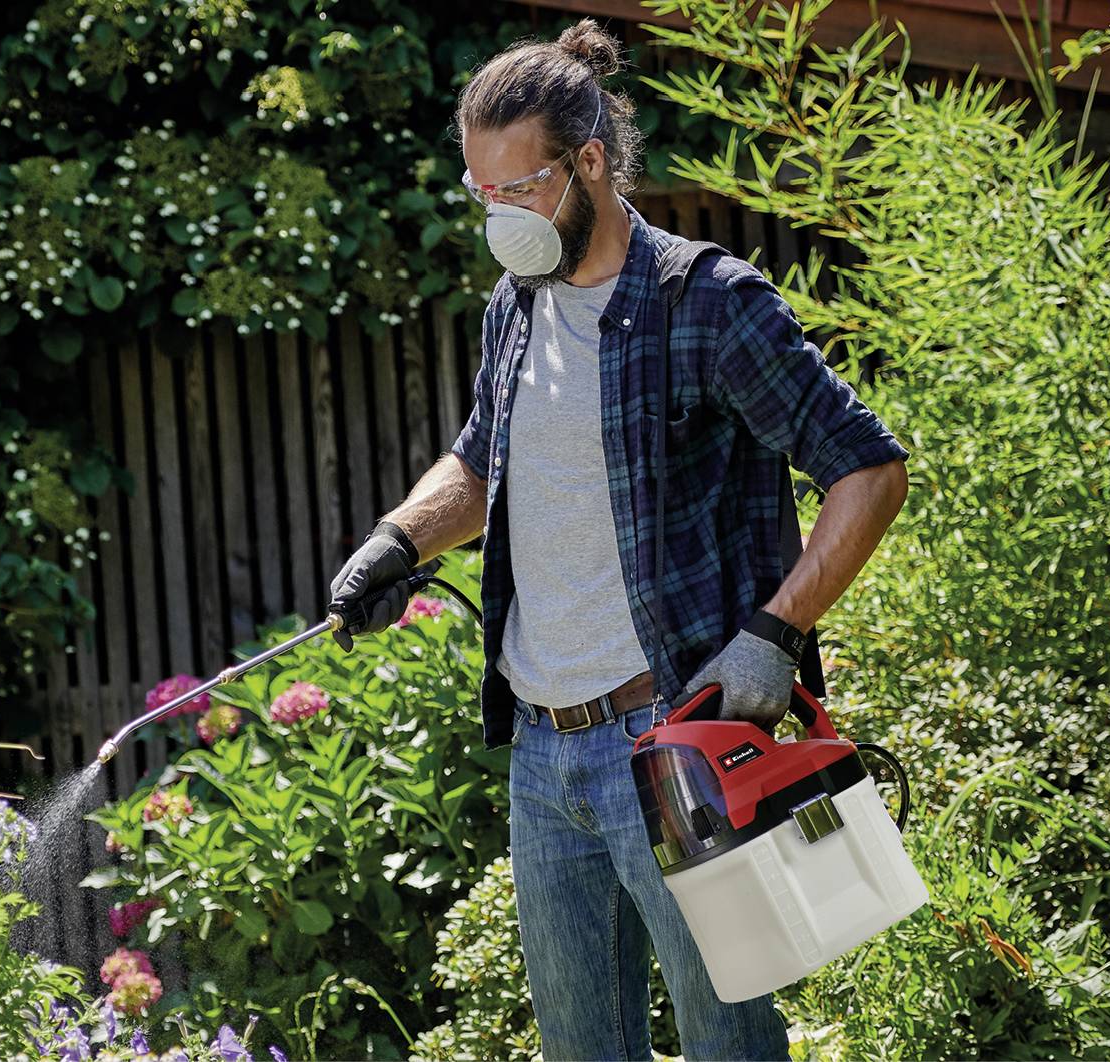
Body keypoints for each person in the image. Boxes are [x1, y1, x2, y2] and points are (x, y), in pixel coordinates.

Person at [324, 17, 911, 1062]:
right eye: (482, 193)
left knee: (727, 1042)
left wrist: (774, 635)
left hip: (671, 746)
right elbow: (478, 459)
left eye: (520, 189)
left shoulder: (708, 302)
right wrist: (396, 542)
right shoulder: (516, 303)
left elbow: (865, 468)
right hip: (541, 757)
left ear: (588, 162)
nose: (500, 217)